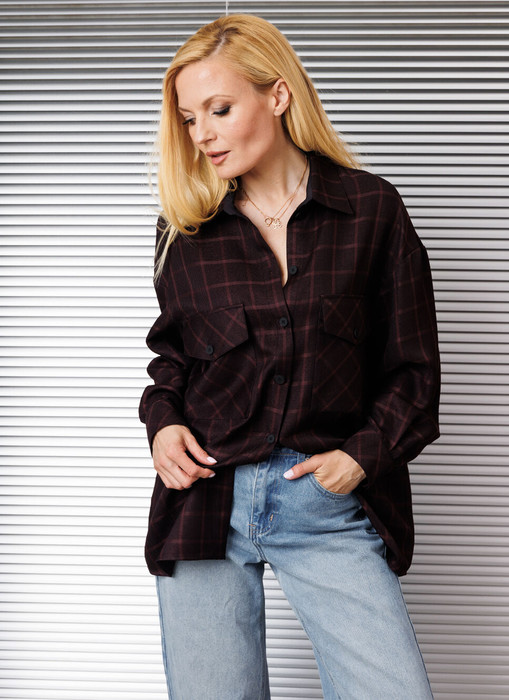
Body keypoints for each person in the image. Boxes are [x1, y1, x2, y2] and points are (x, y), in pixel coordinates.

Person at [139, 14, 440, 700]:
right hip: (205, 498)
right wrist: (164, 425)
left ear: (277, 95)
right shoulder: (185, 229)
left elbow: (413, 372)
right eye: (188, 119)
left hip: (323, 502)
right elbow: (171, 362)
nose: (202, 134)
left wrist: (359, 456)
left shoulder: (370, 211)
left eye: (219, 109)